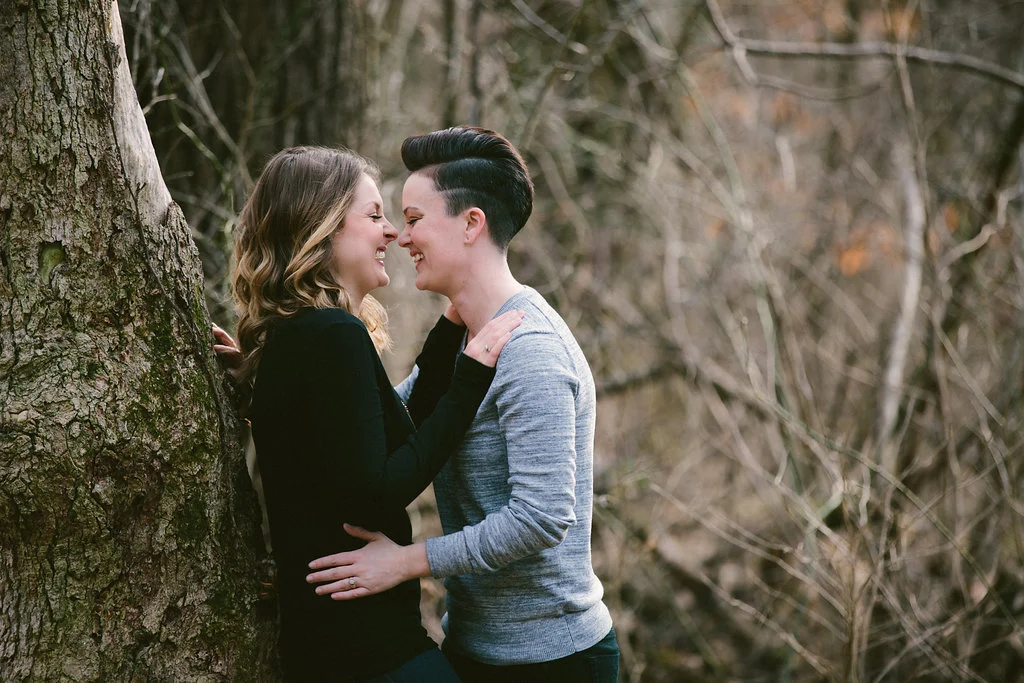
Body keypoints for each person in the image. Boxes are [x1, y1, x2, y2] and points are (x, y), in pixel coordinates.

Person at [305, 127, 619, 683]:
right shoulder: (464, 341)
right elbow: (393, 426)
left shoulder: (530, 350)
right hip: (473, 649)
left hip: (555, 662)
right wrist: (267, 381)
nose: (402, 237)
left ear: (472, 223)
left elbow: (542, 517)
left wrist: (405, 562)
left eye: (417, 218)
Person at [222, 144, 523, 682]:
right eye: (373, 215)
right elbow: (376, 490)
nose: (391, 233)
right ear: (323, 228)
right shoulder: (333, 335)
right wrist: (471, 377)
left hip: (330, 646)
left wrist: (449, 333)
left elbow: (389, 435)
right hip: (372, 651)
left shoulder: (296, 336)